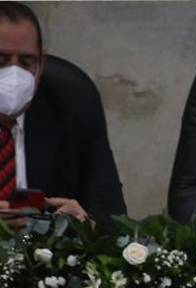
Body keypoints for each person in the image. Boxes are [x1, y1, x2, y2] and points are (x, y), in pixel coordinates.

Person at [0, 2, 125, 229]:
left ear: (41, 65)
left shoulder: (70, 105)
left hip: (44, 259)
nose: (14, 73)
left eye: (27, 62)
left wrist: (87, 225)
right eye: (1, 60)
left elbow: (112, 216)